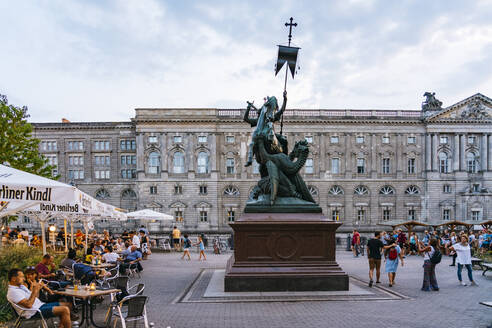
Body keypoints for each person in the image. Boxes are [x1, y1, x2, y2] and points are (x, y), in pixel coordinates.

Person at [7, 268, 73, 328]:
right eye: (21, 277)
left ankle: (61, 326)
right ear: (13, 279)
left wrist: (37, 289)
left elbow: (34, 297)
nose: (24, 279)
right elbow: (29, 305)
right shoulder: (13, 292)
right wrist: (35, 290)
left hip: (40, 305)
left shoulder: (21, 286)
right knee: (65, 309)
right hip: (34, 311)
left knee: (68, 305)